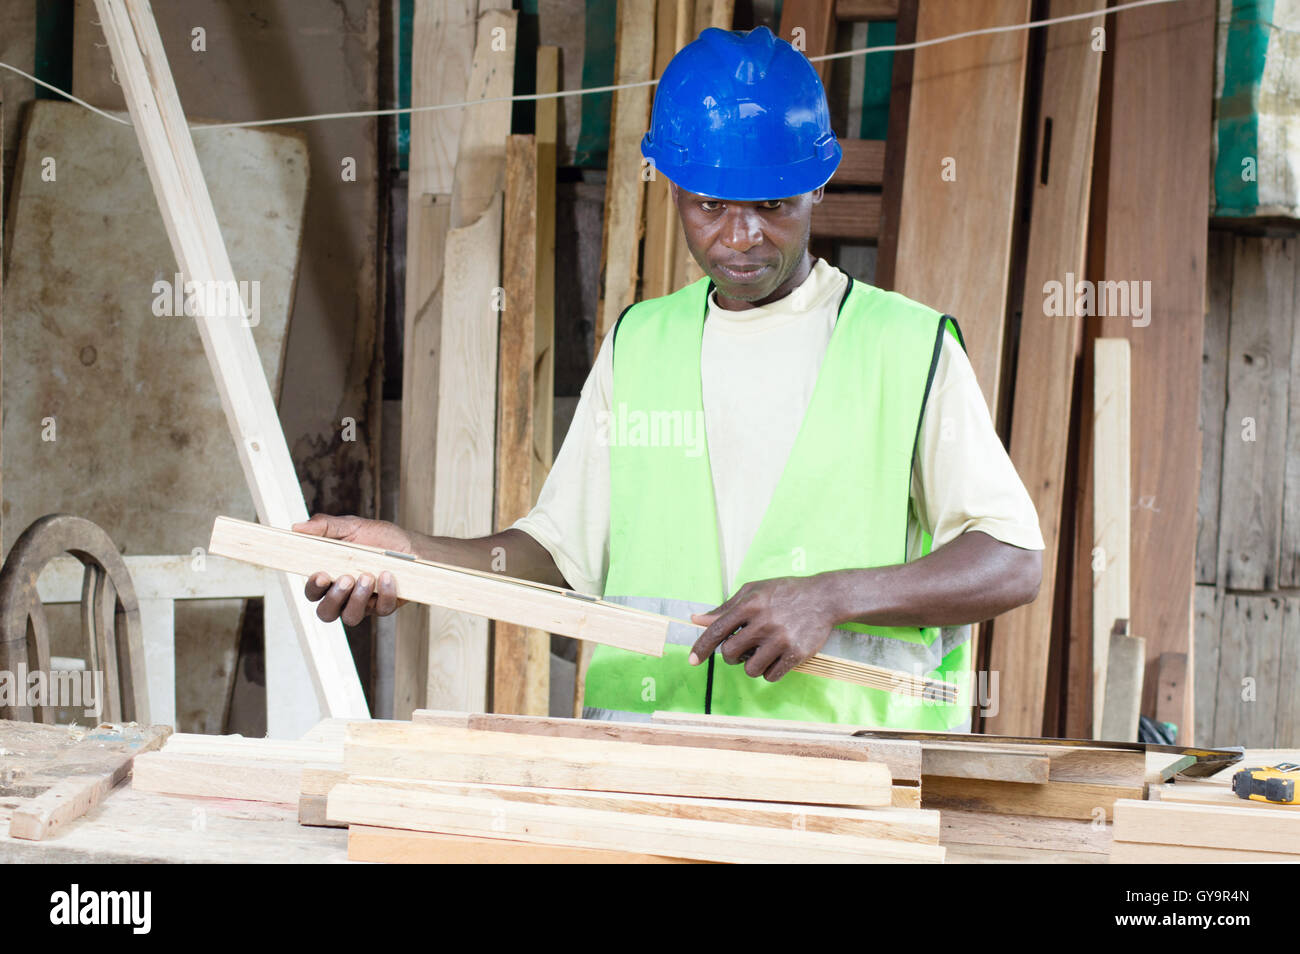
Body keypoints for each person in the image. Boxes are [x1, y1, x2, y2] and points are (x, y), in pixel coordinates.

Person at [295, 25, 1044, 730]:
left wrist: (833, 597)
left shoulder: (906, 348)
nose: (742, 236)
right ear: (675, 189)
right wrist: (409, 555)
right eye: (711, 206)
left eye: (773, 206)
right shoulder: (641, 343)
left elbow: (1012, 562)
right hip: (645, 770)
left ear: (818, 187)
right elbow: (559, 553)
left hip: (836, 793)